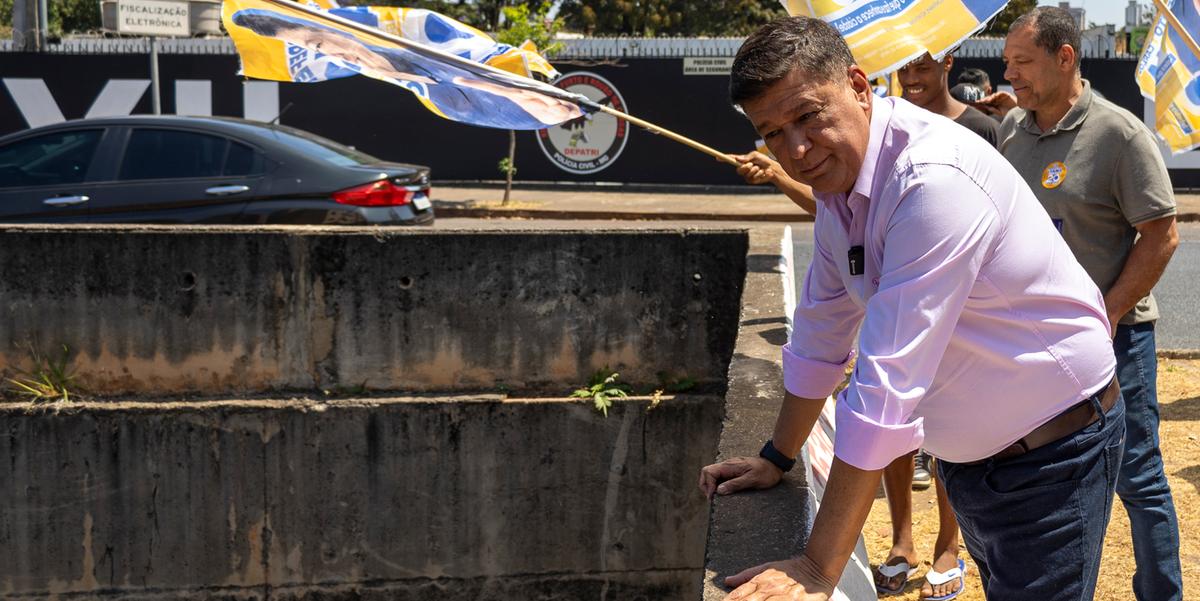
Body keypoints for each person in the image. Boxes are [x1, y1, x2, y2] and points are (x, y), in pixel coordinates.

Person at [699, 15, 1124, 601]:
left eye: (806, 116)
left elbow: (885, 385)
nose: (794, 150)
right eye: (771, 133)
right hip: (978, 462)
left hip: (1052, 460)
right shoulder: (840, 185)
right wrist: (778, 456)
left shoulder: (930, 182)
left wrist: (819, 569)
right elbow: (821, 332)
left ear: (858, 85)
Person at [974, 7, 1183, 601]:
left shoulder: (1119, 135)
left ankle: (1162, 593)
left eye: (1022, 62)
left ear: (1066, 58)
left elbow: (1161, 234)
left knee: (1138, 479)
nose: (1009, 74)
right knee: (1056, 476)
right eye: (1008, 62)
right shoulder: (1015, 130)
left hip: (1116, 336)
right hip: (1036, 340)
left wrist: (1110, 311)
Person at [230, 9, 583, 129]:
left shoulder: (427, 41)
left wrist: (513, 88)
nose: (338, 56)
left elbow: (479, 71)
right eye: (317, 50)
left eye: (323, 43)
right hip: (469, 94)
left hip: (487, 79)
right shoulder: (428, 90)